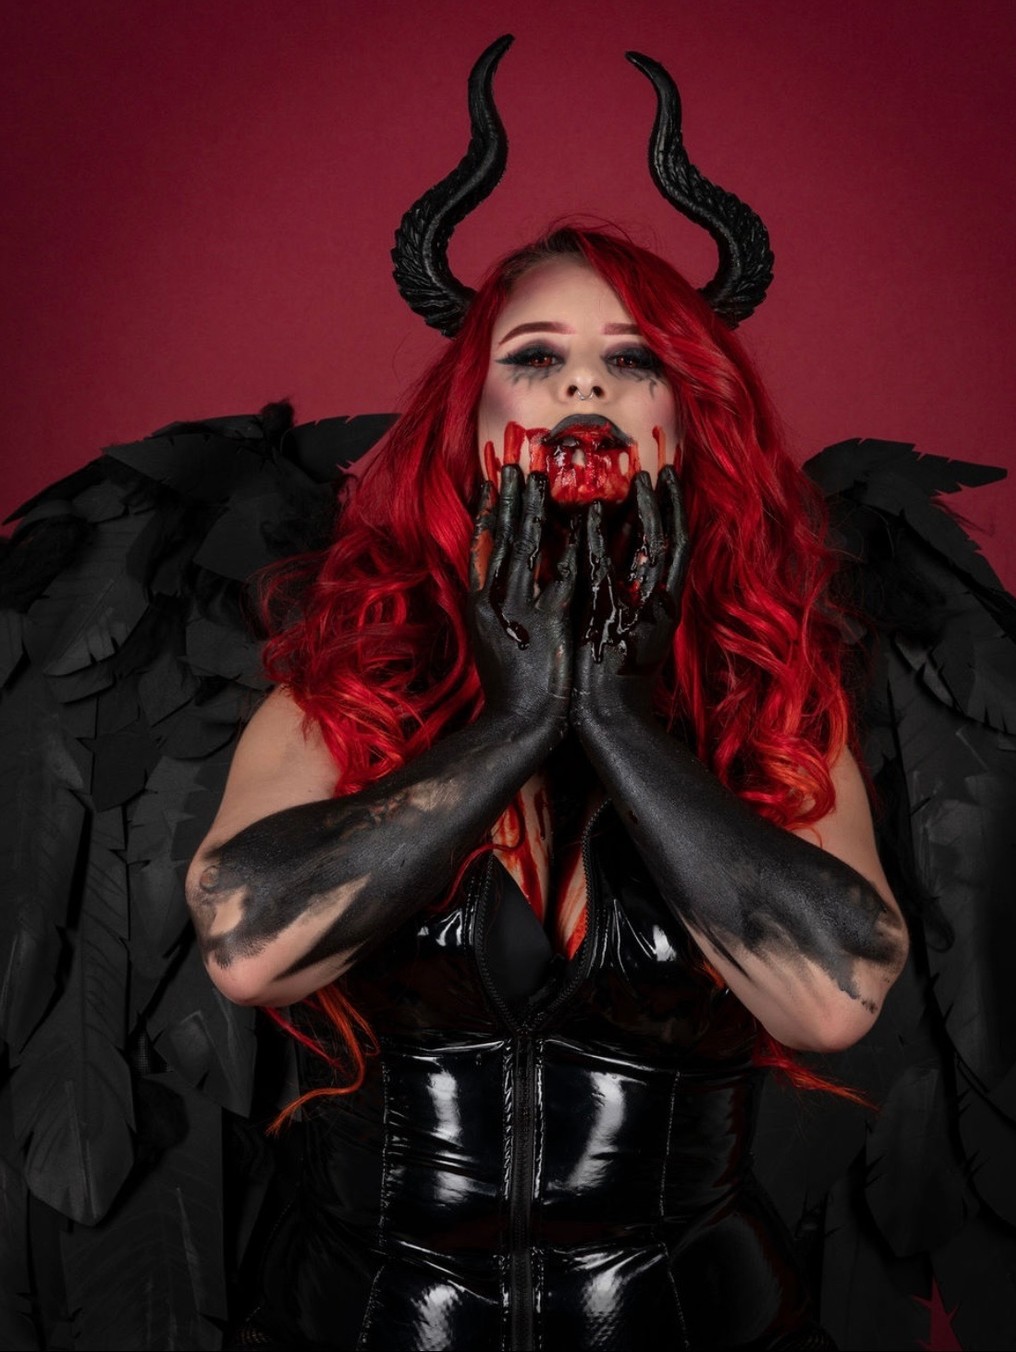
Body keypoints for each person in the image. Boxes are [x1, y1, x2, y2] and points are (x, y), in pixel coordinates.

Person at [184, 201, 909, 1348]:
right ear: (469, 418)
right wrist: (516, 721)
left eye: (634, 360)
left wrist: (615, 719)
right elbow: (246, 944)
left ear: (688, 416)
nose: (585, 386)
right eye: (535, 357)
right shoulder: (343, 693)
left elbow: (832, 995)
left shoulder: (770, 709)